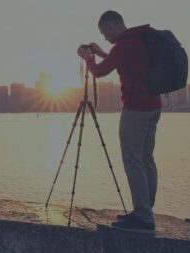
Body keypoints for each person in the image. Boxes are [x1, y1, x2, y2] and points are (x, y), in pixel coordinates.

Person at [76, 10, 162, 234]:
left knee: (132, 161)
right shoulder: (140, 39)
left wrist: (88, 58)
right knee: (146, 158)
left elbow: (100, 72)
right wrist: (103, 53)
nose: (104, 37)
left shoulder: (124, 46)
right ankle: (145, 210)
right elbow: (124, 64)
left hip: (136, 108)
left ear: (110, 26)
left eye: (104, 32)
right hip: (153, 106)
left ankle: (143, 218)